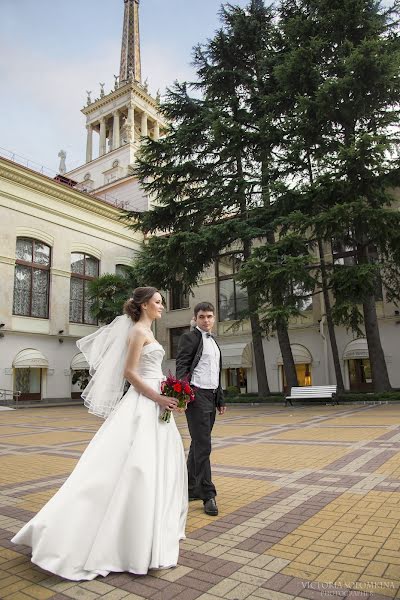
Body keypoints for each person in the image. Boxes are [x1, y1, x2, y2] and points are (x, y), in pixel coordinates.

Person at [11, 287, 188, 581]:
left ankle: (149, 533)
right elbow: (130, 373)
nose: (162, 307)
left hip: (156, 405)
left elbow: (150, 371)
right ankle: (118, 541)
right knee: (135, 468)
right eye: (157, 302)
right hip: (144, 405)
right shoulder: (137, 333)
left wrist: (170, 395)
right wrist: (158, 398)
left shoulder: (148, 331)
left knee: (153, 469)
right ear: (144, 305)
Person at [176, 301, 226, 517]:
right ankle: (207, 494)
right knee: (204, 444)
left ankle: (189, 488)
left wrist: (220, 398)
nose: (206, 320)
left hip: (211, 395)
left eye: (209, 316)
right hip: (196, 396)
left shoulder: (214, 342)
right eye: (202, 317)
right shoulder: (190, 338)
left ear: (214, 318)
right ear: (195, 319)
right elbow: (182, 366)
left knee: (199, 444)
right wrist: (184, 395)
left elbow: (215, 372)